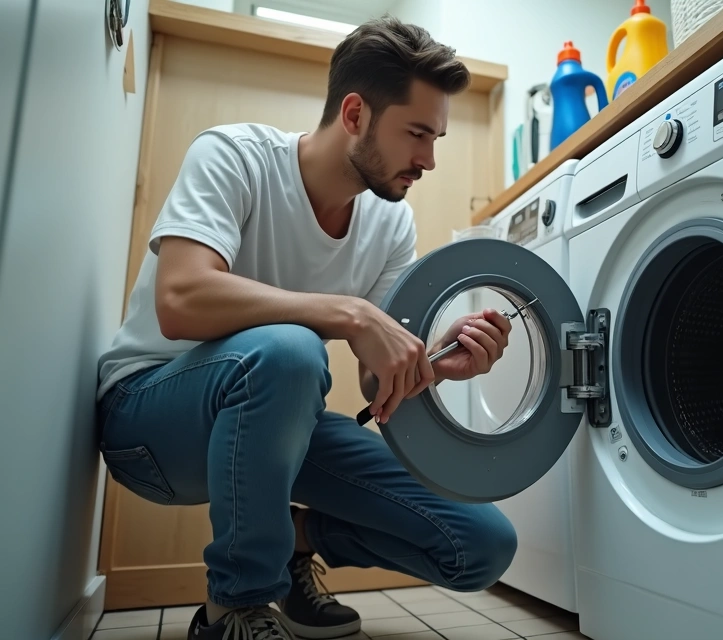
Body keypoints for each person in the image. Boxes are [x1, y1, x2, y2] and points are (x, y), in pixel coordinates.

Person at [94, 14, 519, 640]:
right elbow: (179, 298)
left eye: (438, 138)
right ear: (354, 114)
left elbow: (377, 380)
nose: (428, 159)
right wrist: (345, 312)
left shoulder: (389, 225)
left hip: (278, 418)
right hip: (150, 422)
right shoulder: (233, 156)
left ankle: (295, 540)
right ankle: (235, 608)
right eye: (417, 134)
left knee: (481, 543)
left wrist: (430, 359)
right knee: (293, 352)